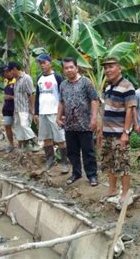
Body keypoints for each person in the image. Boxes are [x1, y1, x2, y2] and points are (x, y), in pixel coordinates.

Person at [100, 56, 137, 209]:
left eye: (111, 66)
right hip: (107, 132)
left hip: (119, 133)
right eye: (106, 67)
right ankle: (112, 189)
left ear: (119, 68)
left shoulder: (127, 86)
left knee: (123, 163)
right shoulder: (108, 87)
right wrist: (101, 129)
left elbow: (130, 109)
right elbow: (105, 109)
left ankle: (125, 193)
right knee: (109, 162)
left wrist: (126, 133)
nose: (108, 70)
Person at [57, 57, 99, 186]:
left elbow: (94, 100)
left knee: (88, 152)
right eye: (66, 68)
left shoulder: (86, 82)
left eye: (71, 67)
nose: (69, 70)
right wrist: (58, 117)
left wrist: (93, 118)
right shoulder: (63, 85)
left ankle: (92, 175)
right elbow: (61, 102)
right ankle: (76, 173)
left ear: (76, 68)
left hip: (85, 124)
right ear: (63, 70)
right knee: (72, 152)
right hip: (69, 125)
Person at [34, 54, 69, 172]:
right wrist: (36, 112)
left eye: (44, 62)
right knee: (46, 138)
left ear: (50, 63)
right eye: (40, 63)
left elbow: (64, 96)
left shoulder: (58, 78)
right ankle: (50, 160)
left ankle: (64, 162)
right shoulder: (39, 78)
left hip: (55, 112)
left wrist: (63, 113)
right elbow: (38, 96)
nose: (42, 65)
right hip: (43, 113)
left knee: (60, 139)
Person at [7, 61, 40, 152]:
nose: (10, 74)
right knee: (19, 128)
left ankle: (36, 143)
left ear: (14, 69)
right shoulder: (16, 80)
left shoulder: (26, 78)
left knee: (24, 126)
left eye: (10, 71)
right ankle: (26, 146)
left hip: (25, 108)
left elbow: (32, 93)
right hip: (17, 108)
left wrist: (32, 108)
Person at [0, 64, 16, 153]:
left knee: (19, 126)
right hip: (7, 108)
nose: (3, 76)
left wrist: (10, 97)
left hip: (16, 107)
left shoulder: (16, 79)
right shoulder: (5, 80)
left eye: (3, 73)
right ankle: (11, 144)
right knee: (7, 126)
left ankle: (21, 145)